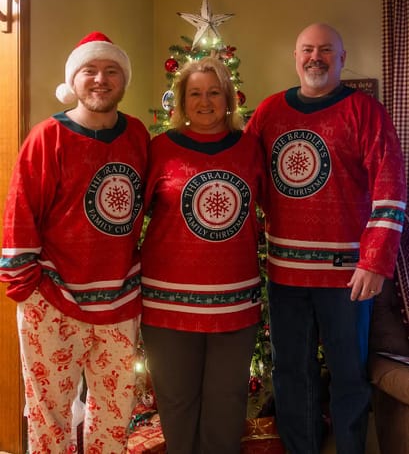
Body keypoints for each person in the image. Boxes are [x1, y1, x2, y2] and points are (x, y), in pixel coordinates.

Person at [245, 23, 407, 454]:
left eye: (325, 50)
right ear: (295, 57)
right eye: (307, 50)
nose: (315, 57)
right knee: (290, 372)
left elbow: (391, 187)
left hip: (348, 276)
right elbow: (246, 178)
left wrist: (375, 262)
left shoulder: (366, 111)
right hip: (285, 273)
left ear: (342, 57)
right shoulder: (268, 112)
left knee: (349, 373)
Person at [0, 31, 150, 453]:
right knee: (49, 412)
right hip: (52, 296)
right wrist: (27, 287)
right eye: (90, 70)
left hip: (119, 299)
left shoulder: (137, 135)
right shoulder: (47, 137)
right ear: (75, 79)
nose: (100, 79)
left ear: (124, 81)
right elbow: (20, 211)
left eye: (111, 71)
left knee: (115, 411)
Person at [140, 56, 265, 454]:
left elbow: (277, 210)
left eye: (214, 92)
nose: (205, 101)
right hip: (167, 303)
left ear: (228, 98)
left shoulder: (249, 149)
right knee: (176, 403)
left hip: (235, 302)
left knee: (226, 404)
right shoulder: (158, 149)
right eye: (195, 93)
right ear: (181, 101)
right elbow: (127, 218)